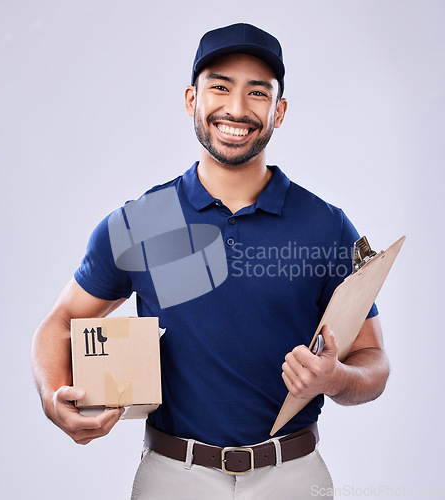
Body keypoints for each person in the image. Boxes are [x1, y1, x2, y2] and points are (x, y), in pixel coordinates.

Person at [31, 23, 390, 499]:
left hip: (293, 475)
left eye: (257, 93)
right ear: (191, 100)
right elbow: (59, 324)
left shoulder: (326, 226)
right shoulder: (142, 222)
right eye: (219, 87)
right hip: (173, 477)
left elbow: (373, 360)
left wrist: (337, 377)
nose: (237, 109)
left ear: (279, 112)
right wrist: (56, 396)